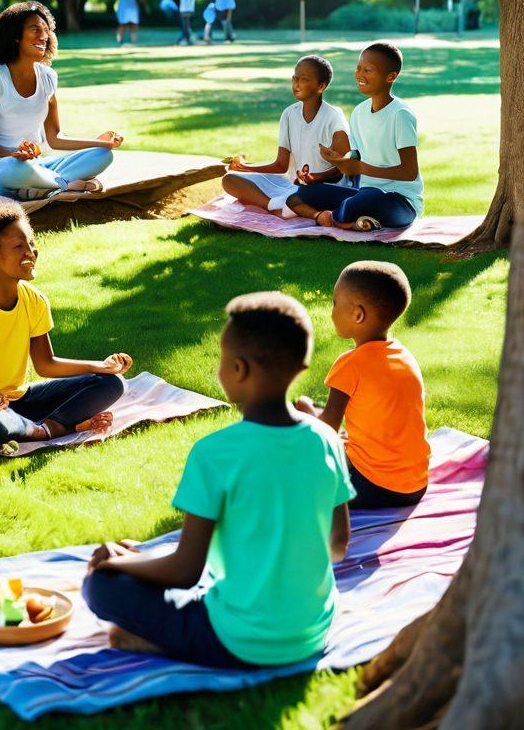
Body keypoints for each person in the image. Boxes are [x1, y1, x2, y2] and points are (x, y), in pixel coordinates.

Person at [82, 292, 353, 667]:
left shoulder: (215, 453)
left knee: (99, 586)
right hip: (311, 632)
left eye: (221, 360)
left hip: (238, 640)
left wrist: (115, 564)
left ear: (238, 369)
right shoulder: (326, 439)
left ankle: (154, 641)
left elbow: (185, 571)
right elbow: (338, 544)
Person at [0, 203, 132, 455]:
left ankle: (44, 427)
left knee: (112, 383)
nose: (31, 252)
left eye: (31, 243)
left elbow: (46, 364)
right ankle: (54, 428)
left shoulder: (35, 301)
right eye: (19, 246)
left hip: (20, 400)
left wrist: (100, 366)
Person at [297, 261, 429, 509]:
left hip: (371, 486)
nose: (332, 310)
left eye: (335, 303)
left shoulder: (350, 364)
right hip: (414, 486)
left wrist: (304, 416)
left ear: (357, 315)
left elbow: (327, 431)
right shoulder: (403, 356)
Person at [0, 1, 123, 200]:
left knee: (102, 155)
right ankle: (63, 185)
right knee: (15, 169)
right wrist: (16, 154)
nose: (44, 36)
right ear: (15, 36)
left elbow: (55, 137)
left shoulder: (48, 77)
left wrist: (100, 143)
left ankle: (40, 188)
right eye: (35, 29)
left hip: (38, 166)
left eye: (46, 30)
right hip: (1, 168)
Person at [283, 42, 423, 231]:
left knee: (368, 199)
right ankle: (347, 220)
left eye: (368, 70)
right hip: (362, 193)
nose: (359, 75)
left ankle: (336, 218)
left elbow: (409, 172)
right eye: (358, 68)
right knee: (302, 193)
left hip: (399, 202)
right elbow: (356, 157)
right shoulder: (359, 112)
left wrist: (361, 168)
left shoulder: (400, 115)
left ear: (391, 77)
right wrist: (329, 168)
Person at [222, 56, 349, 213]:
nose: (296, 84)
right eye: (295, 78)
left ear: (321, 86)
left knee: (306, 193)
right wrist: (243, 168)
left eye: (304, 79)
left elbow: (346, 168)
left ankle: (287, 205)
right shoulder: (289, 114)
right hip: (293, 186)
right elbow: (281, 165)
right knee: (230, 179)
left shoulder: (334, 118)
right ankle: (274, 205)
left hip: (324, 189)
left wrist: (318, 177)